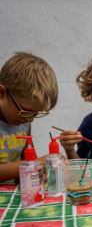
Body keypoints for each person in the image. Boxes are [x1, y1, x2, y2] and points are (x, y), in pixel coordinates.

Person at [0, 52, 58, 182]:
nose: (30, 119)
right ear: (2, 93)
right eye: (26, 111)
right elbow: (30, 164)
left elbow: (28, 161)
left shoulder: (23, 121)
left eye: (36, 114)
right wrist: (36, 164)